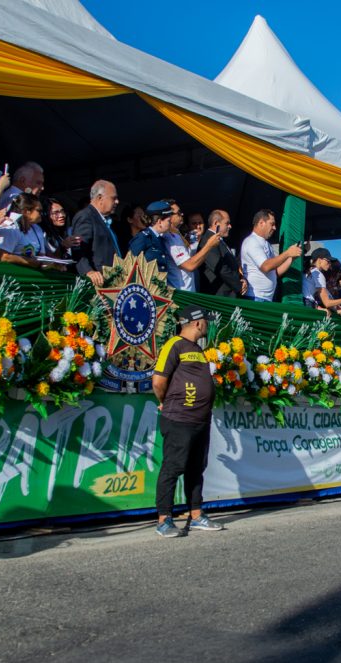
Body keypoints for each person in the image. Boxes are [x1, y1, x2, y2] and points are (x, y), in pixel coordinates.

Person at [151, 305, 223, 537]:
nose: (207, 325)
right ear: (197, 323)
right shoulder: (175, 344)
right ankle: (164, 519)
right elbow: (158, 380)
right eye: (206, 321)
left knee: (196, 468)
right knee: (173, 467)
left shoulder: (197, 349)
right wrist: (166, 401)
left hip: (200, 420)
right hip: (179, 418)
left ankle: (196, 515)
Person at [241, 209, 301, 302]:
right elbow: (266, 266)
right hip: (254, 297)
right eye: (272, 224)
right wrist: (287, 253)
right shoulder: (251, 241)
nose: (274, 228)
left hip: (266, 298)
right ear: (261, 223)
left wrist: (291, 258)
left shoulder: (267, 245)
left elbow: (275, 272)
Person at [72, 180, 121, 287]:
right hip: (99, 283)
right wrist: (88, 271)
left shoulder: (106, 220)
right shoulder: (86, 216)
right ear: (100, 198)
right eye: (113, 198)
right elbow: (78, 248)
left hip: (113, 281)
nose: (117, 202)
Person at [163, 199, 219, 292]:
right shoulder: (170, 237)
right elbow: (189, 265)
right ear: (169, 216)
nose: (182, 214)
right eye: (178, 213)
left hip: (188, 290)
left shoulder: (177, 234)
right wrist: (209, 245)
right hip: (180, 292)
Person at [198, 209, 247, 298]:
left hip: (228, 293)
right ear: (216, 223)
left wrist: (241, 279)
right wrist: (239, 285)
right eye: (227, 223)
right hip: (219, 296)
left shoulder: (219, 241)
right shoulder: (208, 240)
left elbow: (232, 265)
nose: (230, 226)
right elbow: (221, 269)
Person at [0, 192, 48, 268]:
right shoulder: (10, 227)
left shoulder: (37, 229)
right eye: (39, 211)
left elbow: (41, 257)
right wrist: (29, 262)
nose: (41, 214)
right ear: (26, 212)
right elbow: (3, 257)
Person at [128, 200, 175, 273]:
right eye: (168, 221)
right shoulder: (143, 238)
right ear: (159, 222)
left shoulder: (160, 238)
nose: (170, 223)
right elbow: (130, 263)